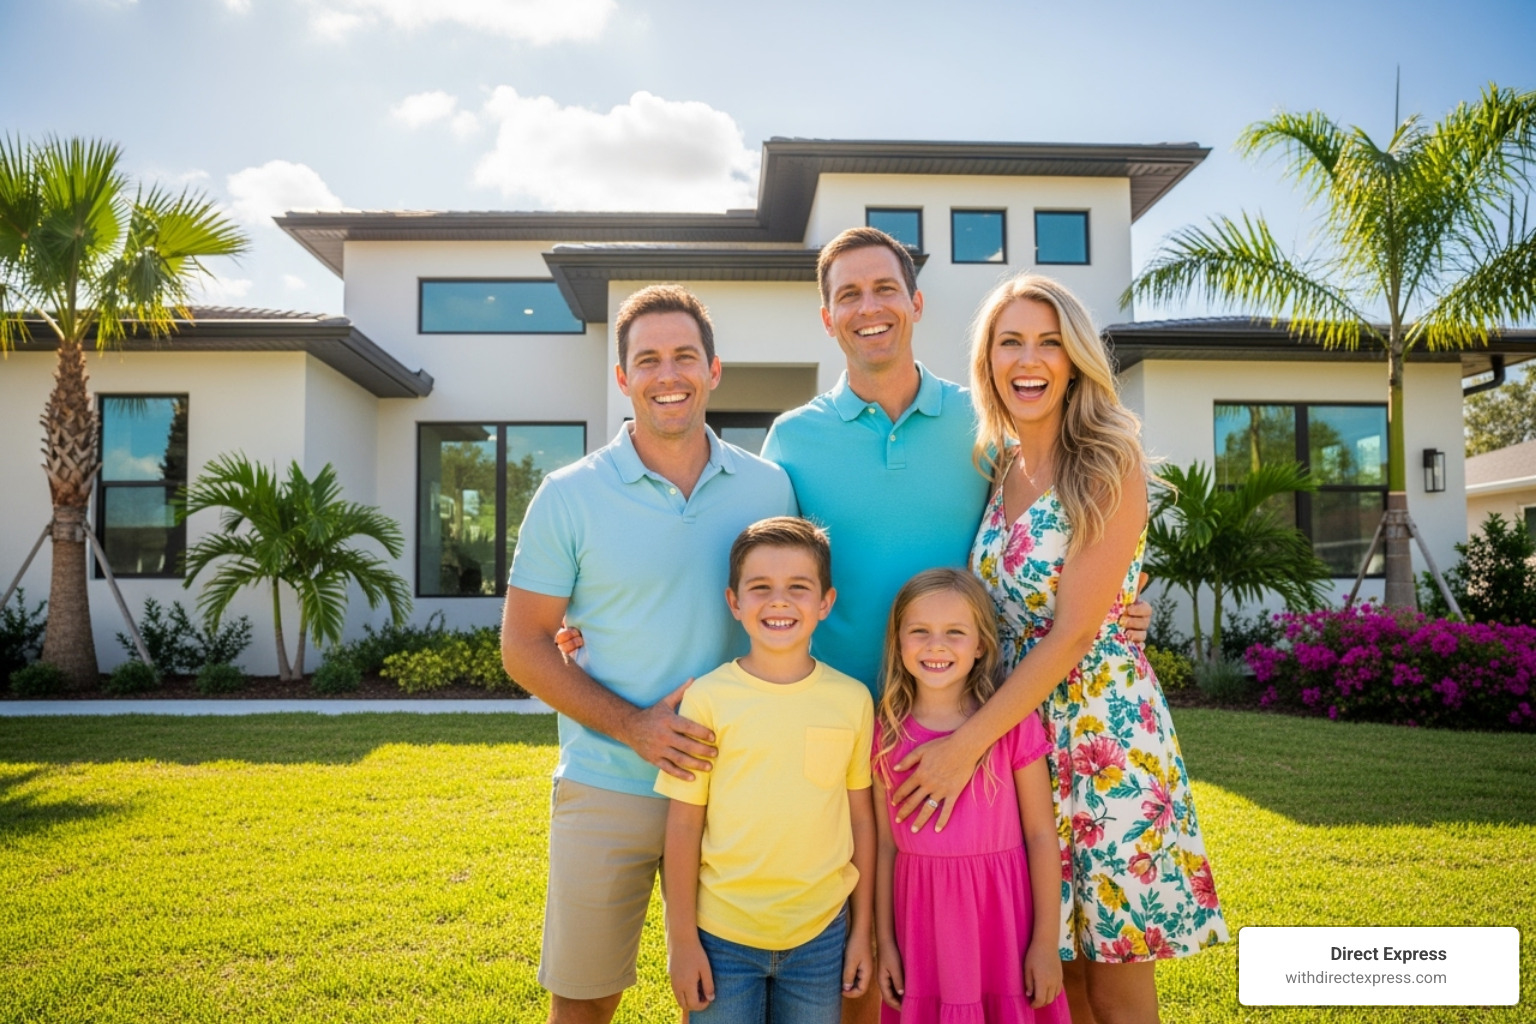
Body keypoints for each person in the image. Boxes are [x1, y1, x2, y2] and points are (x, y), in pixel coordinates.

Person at [890, 274, 1229, 1024]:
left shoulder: (1108, 460)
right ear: (988, 361)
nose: (1029, 358)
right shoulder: (998, 465)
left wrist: (964, 748)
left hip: (1104, 737)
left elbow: (1076, 628)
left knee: (1114, 971)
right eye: (1010, 341)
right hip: (1025, 737)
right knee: (1052, 969)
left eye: (1048, 341)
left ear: (1075, 358)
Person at [501, 284, 796, 1024]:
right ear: (623, 376)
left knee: (728, 1004)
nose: (669, 375)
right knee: (586, 999)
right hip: (608, 785)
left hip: (736, 789)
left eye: (685, 357)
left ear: (714, 369)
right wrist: (634, 726)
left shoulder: (769, 486)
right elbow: (524, 644)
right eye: (649, 359)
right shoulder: (568, 494)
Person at [658, 517, 876, 1023]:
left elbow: (862, 822)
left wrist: (861, 930)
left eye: (798, 588)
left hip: (821, 937)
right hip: (721, 937)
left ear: (826, 602)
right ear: (734, 602)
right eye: (760, 588)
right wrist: (682, 941)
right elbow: (684, 824)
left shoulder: (851, 700)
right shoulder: (707, 700)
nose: (779, 601)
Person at [872, 569, 1070, 1024]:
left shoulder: (1012, 725)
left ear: (980, 644)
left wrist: (1045, 942)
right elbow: (885, 847)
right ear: (898, 642)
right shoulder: (884, 735)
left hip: (1002, 927)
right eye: (919, 631)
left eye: (954, 633)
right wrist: (885, 943)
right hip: (922, 932)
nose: (935, 645)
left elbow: (1041, 836)